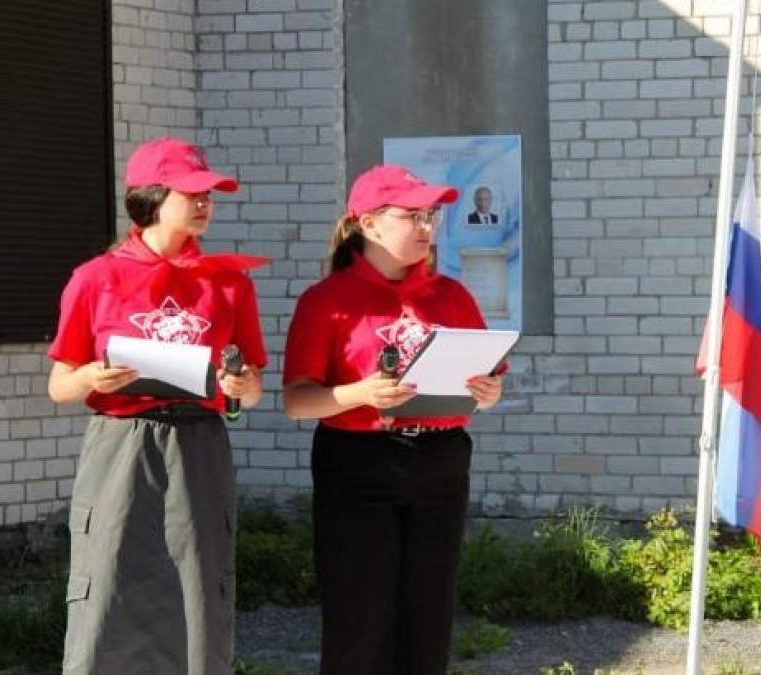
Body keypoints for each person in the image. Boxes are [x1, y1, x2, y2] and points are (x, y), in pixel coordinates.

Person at [47, 137, 268, 675]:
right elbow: (60, 384)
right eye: (191, 193)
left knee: (198, 581)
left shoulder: (229, 283)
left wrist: (240, 385)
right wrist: (93, 376)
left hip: (199, 443)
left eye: (209, 194)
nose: (205, 203)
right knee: (109, 576)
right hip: (122, 444)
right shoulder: (95, 278)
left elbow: (254, 385)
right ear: (151, 198)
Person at [283, 164, 505, 675]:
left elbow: (486, 380)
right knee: (360, 616)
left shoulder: (452, 295)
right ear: (369, 223)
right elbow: (297, 402)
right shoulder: (327, 300)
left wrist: (488, 392)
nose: (427, 227)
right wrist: (360, 393)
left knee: (429, 614)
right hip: (360, 463)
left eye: (432, 216)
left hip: (441, 461)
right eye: (413, 216)